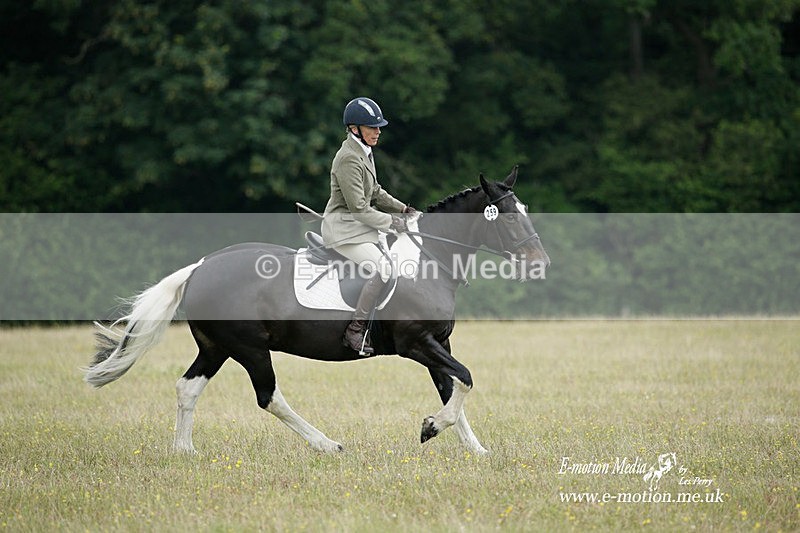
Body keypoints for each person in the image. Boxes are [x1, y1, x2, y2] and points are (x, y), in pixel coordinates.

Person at [321, 97, 416, 355]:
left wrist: (402, 208)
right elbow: (359, 209)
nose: (378, 131)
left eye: (378, 127)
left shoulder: (364, 152)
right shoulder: (348, 158)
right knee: (385, 268)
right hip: (343, 230)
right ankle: (355, 330)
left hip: (359, 228)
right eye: (372, 127)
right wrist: (393, 222)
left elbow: (374, 191)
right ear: (354, 129)